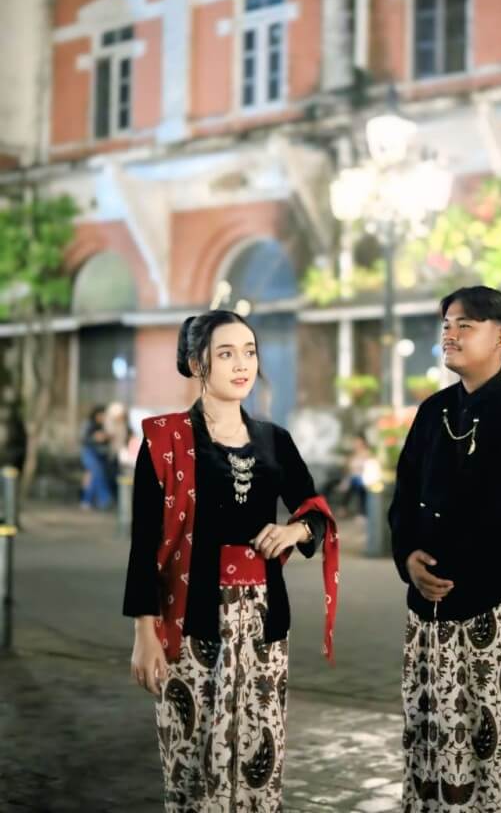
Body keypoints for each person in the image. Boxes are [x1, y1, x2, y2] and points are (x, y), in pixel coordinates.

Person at [123, 309, 338, 813]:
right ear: (199, 364)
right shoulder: (165, 441)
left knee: (260, 750)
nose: (242, 365)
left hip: (264, 622)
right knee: (192, 758)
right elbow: (144, 543)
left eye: (249, 352)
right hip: (190, 616)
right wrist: (144, 632)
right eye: (226, 354)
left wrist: (293, 530)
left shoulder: (274, 440)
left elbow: (316, 512)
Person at [388, 285, 501, 812]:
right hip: (429, 606)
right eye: (446, 324)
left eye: (465, 324)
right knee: (431, 730)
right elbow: (404, 496)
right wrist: (409, 560)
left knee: (497, 732)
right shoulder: (433, 411)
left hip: (497, 603)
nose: (450, 334)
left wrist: (459, 582)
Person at [80, 405, 113, 509]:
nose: (103, 417)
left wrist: (107, 438)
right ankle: (103, 499)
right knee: (96, 474)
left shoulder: (104, 426)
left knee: (94, 476)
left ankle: (87, 501)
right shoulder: (88, 424)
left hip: (100, 455)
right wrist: (94, 438)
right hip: (90, 453)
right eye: (101, 415)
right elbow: (84, 439)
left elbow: (107, 441)